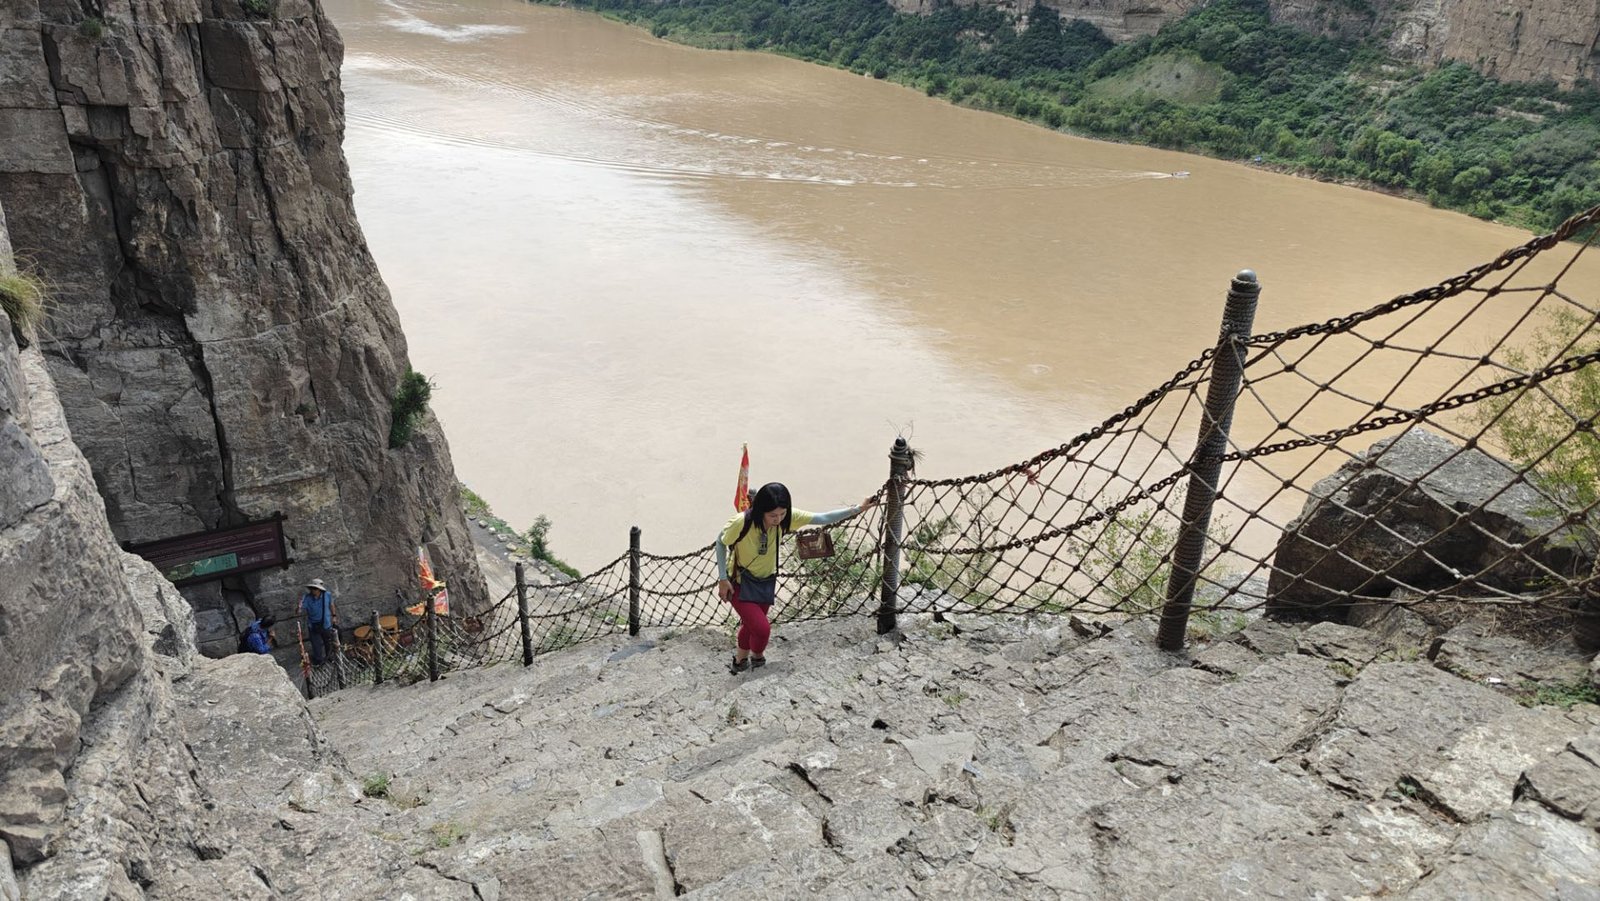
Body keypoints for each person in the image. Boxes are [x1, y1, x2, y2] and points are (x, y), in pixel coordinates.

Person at [716, 482, 877, 673]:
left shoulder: (787, 519)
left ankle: (739, 661)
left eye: (782, 514)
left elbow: (821, 517)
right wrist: (722, 578)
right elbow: (720, 541)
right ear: (760, 511)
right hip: (740, 582)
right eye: (772, 515)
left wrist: (859, 509)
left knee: (751, 625)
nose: (778, 519)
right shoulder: (742, 522)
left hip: (766, 580)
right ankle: (757, 657)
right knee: (762, 629)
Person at [300, 578, 337, 666]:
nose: (313, 590)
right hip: (313, 625)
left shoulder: (327, 595)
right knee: (316, 644)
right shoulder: (307, 598)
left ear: (319, 589)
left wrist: (334, 616)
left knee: (328, 641)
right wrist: (299, 606)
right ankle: (319, 660)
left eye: (315, 588)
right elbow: (299, 611)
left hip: (326, 623)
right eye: (312, 588)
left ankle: (329, 656)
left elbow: (331, 605)